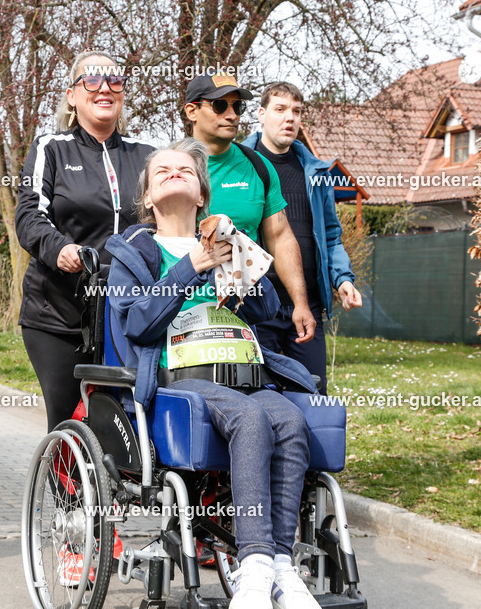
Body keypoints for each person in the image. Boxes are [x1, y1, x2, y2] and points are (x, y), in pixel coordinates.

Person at [106, 140, 320, 609]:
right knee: (249, 417)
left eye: (185, 169)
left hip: (242, 372)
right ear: (147, 197)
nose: (174, 173)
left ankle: (279, 565)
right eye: (162, 170)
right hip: (180, 377)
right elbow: (136, 322)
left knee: (290, 420)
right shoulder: (133, 251)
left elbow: (267, 311)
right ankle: (255, 563)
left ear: (202, 195)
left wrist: (241, 259)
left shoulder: (226, 242)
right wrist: (192, 266)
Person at [16, 50, 153, 431]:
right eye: (91, 79)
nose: (104, 88)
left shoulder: (147, 155)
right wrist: (60, 248)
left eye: (114, 80)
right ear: (72, 95)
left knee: (126, 423)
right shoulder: (51, 148)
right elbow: (29, 215)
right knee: (68, 421)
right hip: (59, 315)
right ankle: (64, 472)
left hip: (128, 316)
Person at [181, 73, 317, 367]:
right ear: (192, 111)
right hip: (183, 312)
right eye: (220, 106)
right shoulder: (170, 166)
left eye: (237, 107)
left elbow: (280, 237)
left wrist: (300, 303)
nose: (232, 115)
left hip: (244, 310)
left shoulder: (258, 166)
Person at [242, 83, 362, 391]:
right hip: (256, 306)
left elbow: (331, 236)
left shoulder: (317, 173)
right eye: (280, 109)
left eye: (296, 111)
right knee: (257, 395)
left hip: (305, 306)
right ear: (261, 114)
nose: (290, 118)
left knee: (314, 393)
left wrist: (342, 279)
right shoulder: (241, 167)